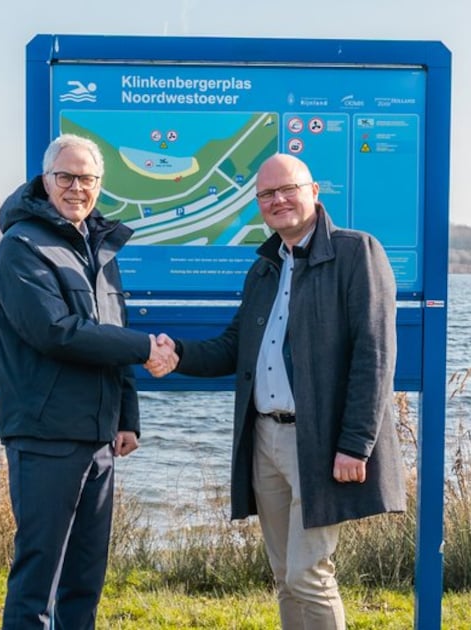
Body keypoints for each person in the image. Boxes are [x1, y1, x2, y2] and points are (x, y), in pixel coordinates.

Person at [148, 154, 406, 629]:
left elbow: (375, 354)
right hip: (265, 440)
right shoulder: (265, 268)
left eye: (287, 189)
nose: (278, 200)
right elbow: (234, 346)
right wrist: (176, 353)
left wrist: (355, 444)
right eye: (266, 195)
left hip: (321, 441)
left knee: (310, 573)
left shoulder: (356, 253)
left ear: (314, 192)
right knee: (285, 575)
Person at [0, 133, 177, 629]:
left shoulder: (97, 249)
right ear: (46, 180)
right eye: (66, 177)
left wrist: (126, 416)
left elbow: (114, 333)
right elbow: (56, 334)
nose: (77, 188)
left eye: (87, 179)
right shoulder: (20, 248)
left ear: (100, 184)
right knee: (38, 580)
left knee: (85, 579)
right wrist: (146, 351)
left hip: (98, 439)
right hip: (45, 434)